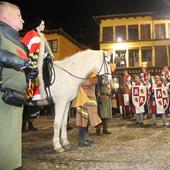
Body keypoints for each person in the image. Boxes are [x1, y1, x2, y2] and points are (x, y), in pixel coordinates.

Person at [0, 2, 38, 170]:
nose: (23, 21)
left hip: (15, 100)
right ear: (3, 16)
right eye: (18, 15)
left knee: (11, 145)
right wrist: (22, 63)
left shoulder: (19, 43)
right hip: (2, 99)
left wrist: (29, 73)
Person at [22, 18, 54, 131]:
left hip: (39, 63)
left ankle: (40, 97)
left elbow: (42, 50)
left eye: (44, 24)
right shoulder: (32, 34)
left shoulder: (41, 36)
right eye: (42, 24)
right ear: (37, 25)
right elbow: (27, 49)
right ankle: (30, 101)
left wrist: (47, 55)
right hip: (32, 65)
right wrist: (30, 64)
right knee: (32, 84)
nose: (44, 26)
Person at [72, 71, 102, 147]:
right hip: (84, 101)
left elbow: (94, 82)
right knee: (83, 121)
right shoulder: (83, 75)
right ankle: (81, 140)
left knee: (88, 120)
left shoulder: (91, 74)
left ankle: (86, 137)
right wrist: (91, 79)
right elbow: (81, 84)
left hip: (91, 101)